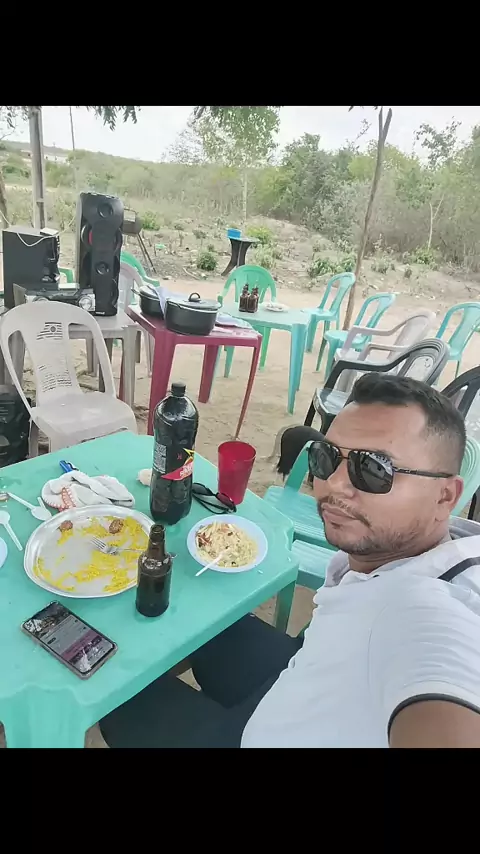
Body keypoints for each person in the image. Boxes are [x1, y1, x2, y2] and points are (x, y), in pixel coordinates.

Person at [100, 374, 480, 748]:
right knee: (208, 629)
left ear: (445, 496)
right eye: (326, 458)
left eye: (375, 469)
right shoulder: (407, 552)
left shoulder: (427, 610)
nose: (334, 484)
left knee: (118, 703)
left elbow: (443, 677)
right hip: (304, 680)